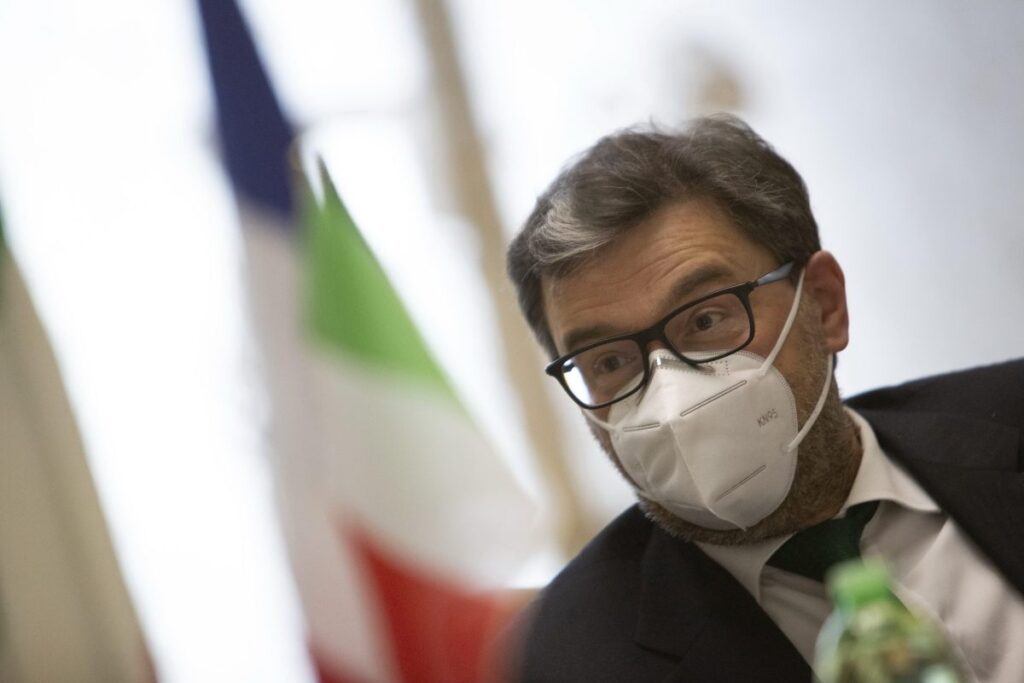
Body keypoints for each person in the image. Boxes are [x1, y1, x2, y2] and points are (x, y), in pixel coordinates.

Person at [505, 114, 1024, 682]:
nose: (670, 399)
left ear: (824, 305)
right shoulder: (567, 662)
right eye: (609, 362)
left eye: (706, 319)